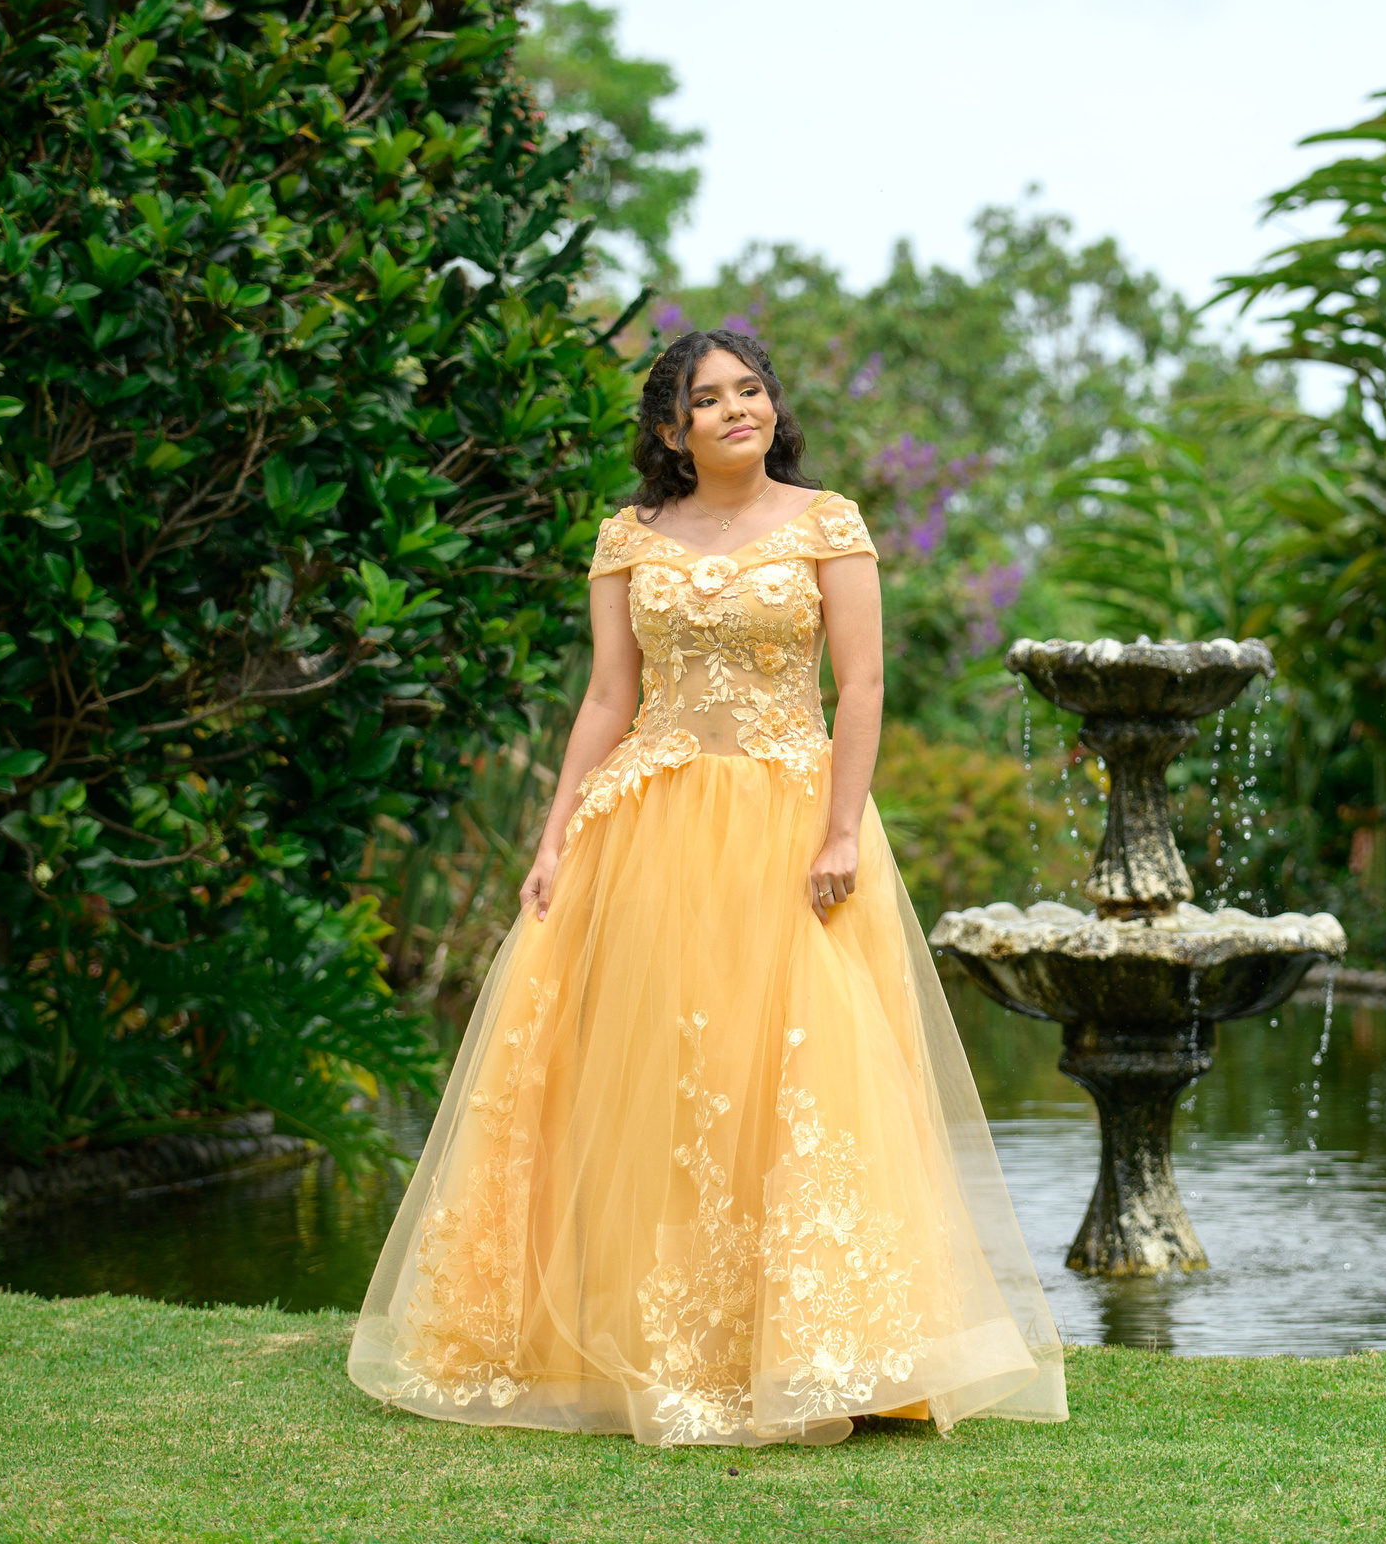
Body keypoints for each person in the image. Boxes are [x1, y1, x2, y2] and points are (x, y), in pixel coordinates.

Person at [348, 328, 1066, 1447]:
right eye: (709, 397)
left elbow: (863, 687)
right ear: (670, 429)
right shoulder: (628, 537)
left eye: (751, 389)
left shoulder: (827, 522)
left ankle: (830, 1351)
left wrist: (841, 830)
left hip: (790, 821)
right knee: (650, 1077)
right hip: (649, 822)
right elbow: (606, 697)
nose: (739, 409)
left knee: (800, 1067)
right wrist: (553, 837)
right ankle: (646, 1344)